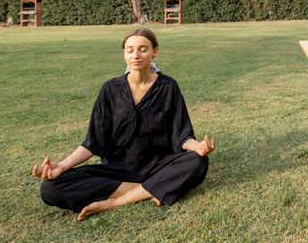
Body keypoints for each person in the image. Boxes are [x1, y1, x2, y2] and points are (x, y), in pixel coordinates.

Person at [33, 28, 215, 220]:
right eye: (130, 50)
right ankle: (149, 190)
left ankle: (117, 201)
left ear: (155, 51)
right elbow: (93, 142)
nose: (135, 55)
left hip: (157, 164)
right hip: (119, 168)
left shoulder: (168, 87)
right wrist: (61, 166)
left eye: (142, 49)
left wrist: (199, 147)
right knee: (50, 187)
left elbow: (182, 135)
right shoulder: (110, 89)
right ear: (124, 54)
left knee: (197, 161)